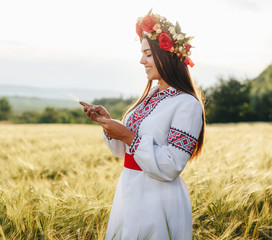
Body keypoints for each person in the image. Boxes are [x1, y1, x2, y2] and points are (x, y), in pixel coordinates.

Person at [82, 9, 205, 240]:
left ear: (167, 55)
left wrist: (128, 137)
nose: (142, 61)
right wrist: (109, 124)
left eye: (148, 54)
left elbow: (171, 166)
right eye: (142, 54)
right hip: (129, 191)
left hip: (158, 199)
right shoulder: (150, 97)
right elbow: (126, 152)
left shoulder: (187, 104)